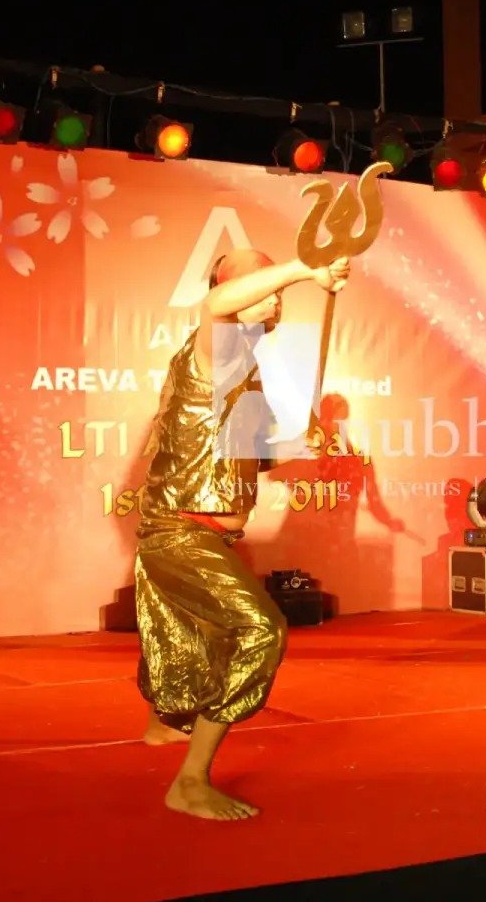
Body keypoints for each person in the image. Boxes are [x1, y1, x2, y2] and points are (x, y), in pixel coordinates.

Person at [133, 247, 349, 821]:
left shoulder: (243, 372)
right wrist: (307, 269)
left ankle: (163, 729)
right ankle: (191, 782)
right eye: (259, 282)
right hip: (181, 532)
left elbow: (246, 458)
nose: (272, 294)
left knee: (189, 645)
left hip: (200, 534)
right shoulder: (213, 346)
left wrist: (295, 448)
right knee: (260, 631)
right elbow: (215, 303)